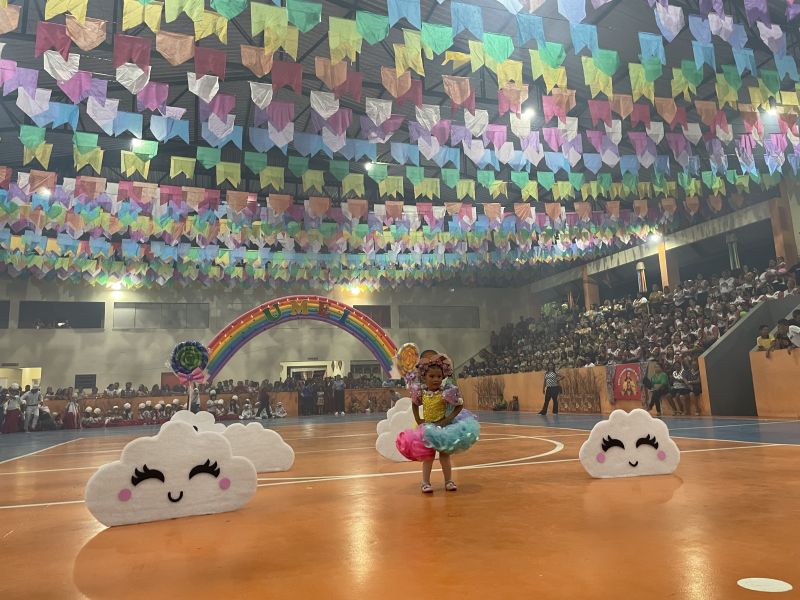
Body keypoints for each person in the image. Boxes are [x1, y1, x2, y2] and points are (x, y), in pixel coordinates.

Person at [395, 352, 480, 493]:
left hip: (443, 429)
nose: (436, 379)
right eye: (432, 376)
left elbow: (459, 405)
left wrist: (448, 419)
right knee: (428, 457)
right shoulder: (421, 393)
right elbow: (414, 404)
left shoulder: (446, 392)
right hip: (428, 428)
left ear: (443, 377)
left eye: (439, 377)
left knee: (445, 456)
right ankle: (425, 483)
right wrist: (418, 420)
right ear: (424, 377)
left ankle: (448, 481)